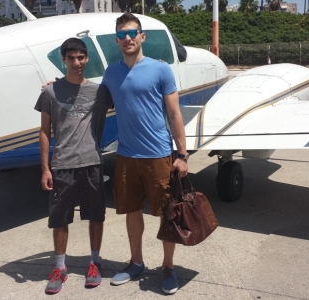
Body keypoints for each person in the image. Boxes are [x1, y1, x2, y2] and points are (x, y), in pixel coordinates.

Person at [101, 13, 189, 295]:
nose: (127, 38)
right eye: (122, 34)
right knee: (131, 211)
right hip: (126, 156)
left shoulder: (161, 70)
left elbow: (174, 114)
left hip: (158, 155)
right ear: (117, 40)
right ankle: (136, 262)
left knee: (167, 214)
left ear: (142, 36)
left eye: (132, 32)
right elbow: (93, 97)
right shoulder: (111, 72)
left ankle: (168, 267)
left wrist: (182, 154)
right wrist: (59, 86)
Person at [34, 38, 113, 294]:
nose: (77, 62)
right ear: (63, 60)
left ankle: (95, 263)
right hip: (62, 164)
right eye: (71, 58)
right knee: (60, 219)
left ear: (87, 58)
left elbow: (128, 90)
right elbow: (44, 131)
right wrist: (45, 168)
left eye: (81, 57)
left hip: (92, 162)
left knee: (96, 215)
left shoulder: (100, 91)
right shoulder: (49, 92)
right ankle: (60, 267)